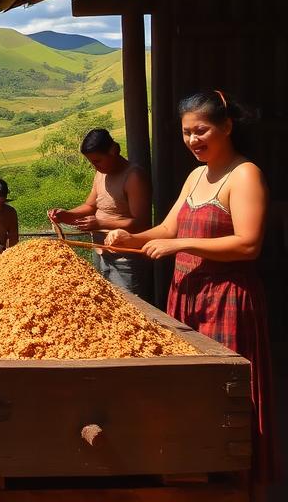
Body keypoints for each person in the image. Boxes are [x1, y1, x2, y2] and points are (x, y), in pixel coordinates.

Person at [105, 91, 275, 486]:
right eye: (186, 133)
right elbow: (167, 229)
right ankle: (195, 478)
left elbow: (249, 244)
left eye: (201, 130)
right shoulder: (195, 176)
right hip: (186, 296)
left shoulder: (244, 174)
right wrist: (128, 239)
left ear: (227, 126)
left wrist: (181, 245)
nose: (193, 140)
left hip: (227, 298)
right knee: (190, 390)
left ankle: (235, 483)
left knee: (227, 392)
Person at [47, 128, 151, 296]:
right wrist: (66, 215)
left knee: (131, 307)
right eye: (92, 162)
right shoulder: (101, 173)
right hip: (101, 251)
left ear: (114, 151)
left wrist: (100, 223)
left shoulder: (134, 176)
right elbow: (90, 206)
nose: (95, 166)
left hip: (125, 258)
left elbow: (141, 223)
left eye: (97, 161)